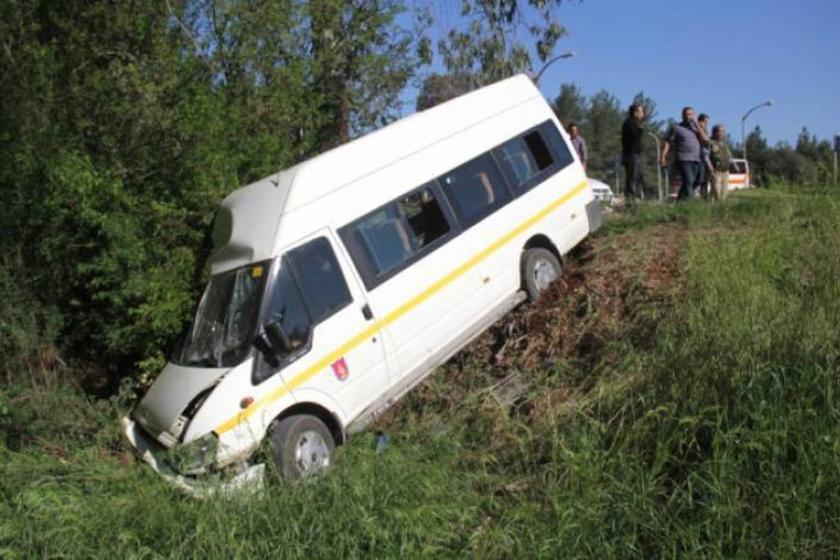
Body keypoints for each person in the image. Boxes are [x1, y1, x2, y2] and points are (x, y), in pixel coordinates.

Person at [660, 106, 709, 201]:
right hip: (683, 159)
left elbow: (706, 140)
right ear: (682, 116)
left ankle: (680, 201)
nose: (688, 116)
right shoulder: (676, 128)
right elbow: (667, 142)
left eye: (690, 114)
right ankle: (689, 203)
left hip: (696, 159)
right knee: (688, 181)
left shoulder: (697, 129)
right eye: (686, 114)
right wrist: (663, 156)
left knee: (697, 181)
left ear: (694, 116)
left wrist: (697, 126)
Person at [621, 104, 646, 200]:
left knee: (637, 177)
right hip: (631, 155)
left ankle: (635, 197)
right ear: (635, 112)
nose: (642, 114)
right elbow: (634, 137)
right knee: (632, 178)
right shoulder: (630, 123)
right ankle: (630, 200)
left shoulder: (634, 123)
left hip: (636, 154)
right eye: (641, 111)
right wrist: (640, 129)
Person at [708, 124, 732, 201]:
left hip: (725, 170)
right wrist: (710, 167)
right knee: (716, 190)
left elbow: (729, 156)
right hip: (716, 170)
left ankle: (720, 205)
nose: (721, 133)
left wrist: (735, 165)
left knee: (724, 191)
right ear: (714, 132)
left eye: (723, 131)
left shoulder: (724, 144)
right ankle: (715, 204)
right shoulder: (711, 143)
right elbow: (706, 156)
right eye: (719, 131)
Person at [696, 114, 713, 199]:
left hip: (705, 155)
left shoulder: (705, 130)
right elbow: (705, 140)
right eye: (704, 122)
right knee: (700, 179)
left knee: (705, 180)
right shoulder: (697, 130)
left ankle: (704, 197)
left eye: (706, 122)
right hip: (700, 156)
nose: (705, 124)